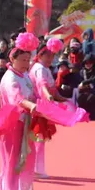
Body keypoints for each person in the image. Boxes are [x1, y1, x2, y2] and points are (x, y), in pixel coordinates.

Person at [0, 32, 39, 190]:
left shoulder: (23, 76)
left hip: (22, 123)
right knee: (11, 164)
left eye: (28, 59)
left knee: (14, 163)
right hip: (12, 124)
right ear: (13, 58)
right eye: (23, 59)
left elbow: (32, 94)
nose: (27, 63)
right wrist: (32, 106)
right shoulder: (10, 78)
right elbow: (17, 99)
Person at [28, 38, 64, 179]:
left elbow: (52, 88)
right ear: (40, 55)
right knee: (38, 138)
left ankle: (37, 168)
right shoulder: (39, 68)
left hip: (42, 107)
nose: (50, 58)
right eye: (47, 55)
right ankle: (36, 168)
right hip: (37, 107)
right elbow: (42, 84)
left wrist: (61, 98)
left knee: (39, 138)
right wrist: (48, 95)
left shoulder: (45, 68)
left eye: (52, 56)